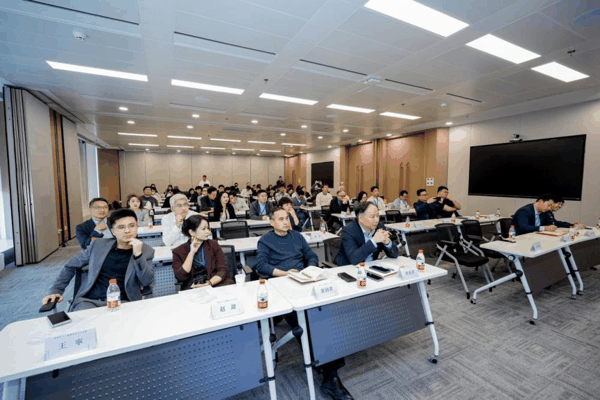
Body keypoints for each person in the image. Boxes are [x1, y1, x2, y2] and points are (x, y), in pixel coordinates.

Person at [255, 207, 352, 400]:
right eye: (281, 219)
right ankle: (330, 376)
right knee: (305, 323)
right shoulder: (265, 240)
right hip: (282, 286)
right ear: (272, 222)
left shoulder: (297, 236)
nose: (286, 222)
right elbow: (261, 265)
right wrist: (285, 273)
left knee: (323, 316)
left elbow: (311, 256)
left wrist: (310, 269)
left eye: (287, 218)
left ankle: (329, 367)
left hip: (303, 281)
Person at [42, 209, 154, 311]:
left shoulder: (146, 250)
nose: (127, 231)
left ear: (137, 227)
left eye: (132, 226)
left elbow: (147, 282)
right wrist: (56, 290)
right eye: (121, 227)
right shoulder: (98, 245)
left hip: (124, 303)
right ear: (113, 231)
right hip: (90, 302)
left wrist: (138, 256)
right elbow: (71, 265)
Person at [171, 215, 233, 290]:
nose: (208, 231)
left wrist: (209, 283)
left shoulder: (213, 245)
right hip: (193, 288)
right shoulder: (178, 251)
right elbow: (181, 277)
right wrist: (191, 253)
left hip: (215, 283)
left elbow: (222, 269)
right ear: (192, 232)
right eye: (203, 229)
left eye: (208, 228)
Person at [335, 201, 399, 266]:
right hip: (347, 267)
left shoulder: (379, 227)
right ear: (360, 218)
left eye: (377, 216)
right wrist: (374, 241)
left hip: (370, 266)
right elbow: (354, 259)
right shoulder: (348, 230)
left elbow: (395, 254)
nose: (377, 220)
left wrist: (387, 243)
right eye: (372, 217)